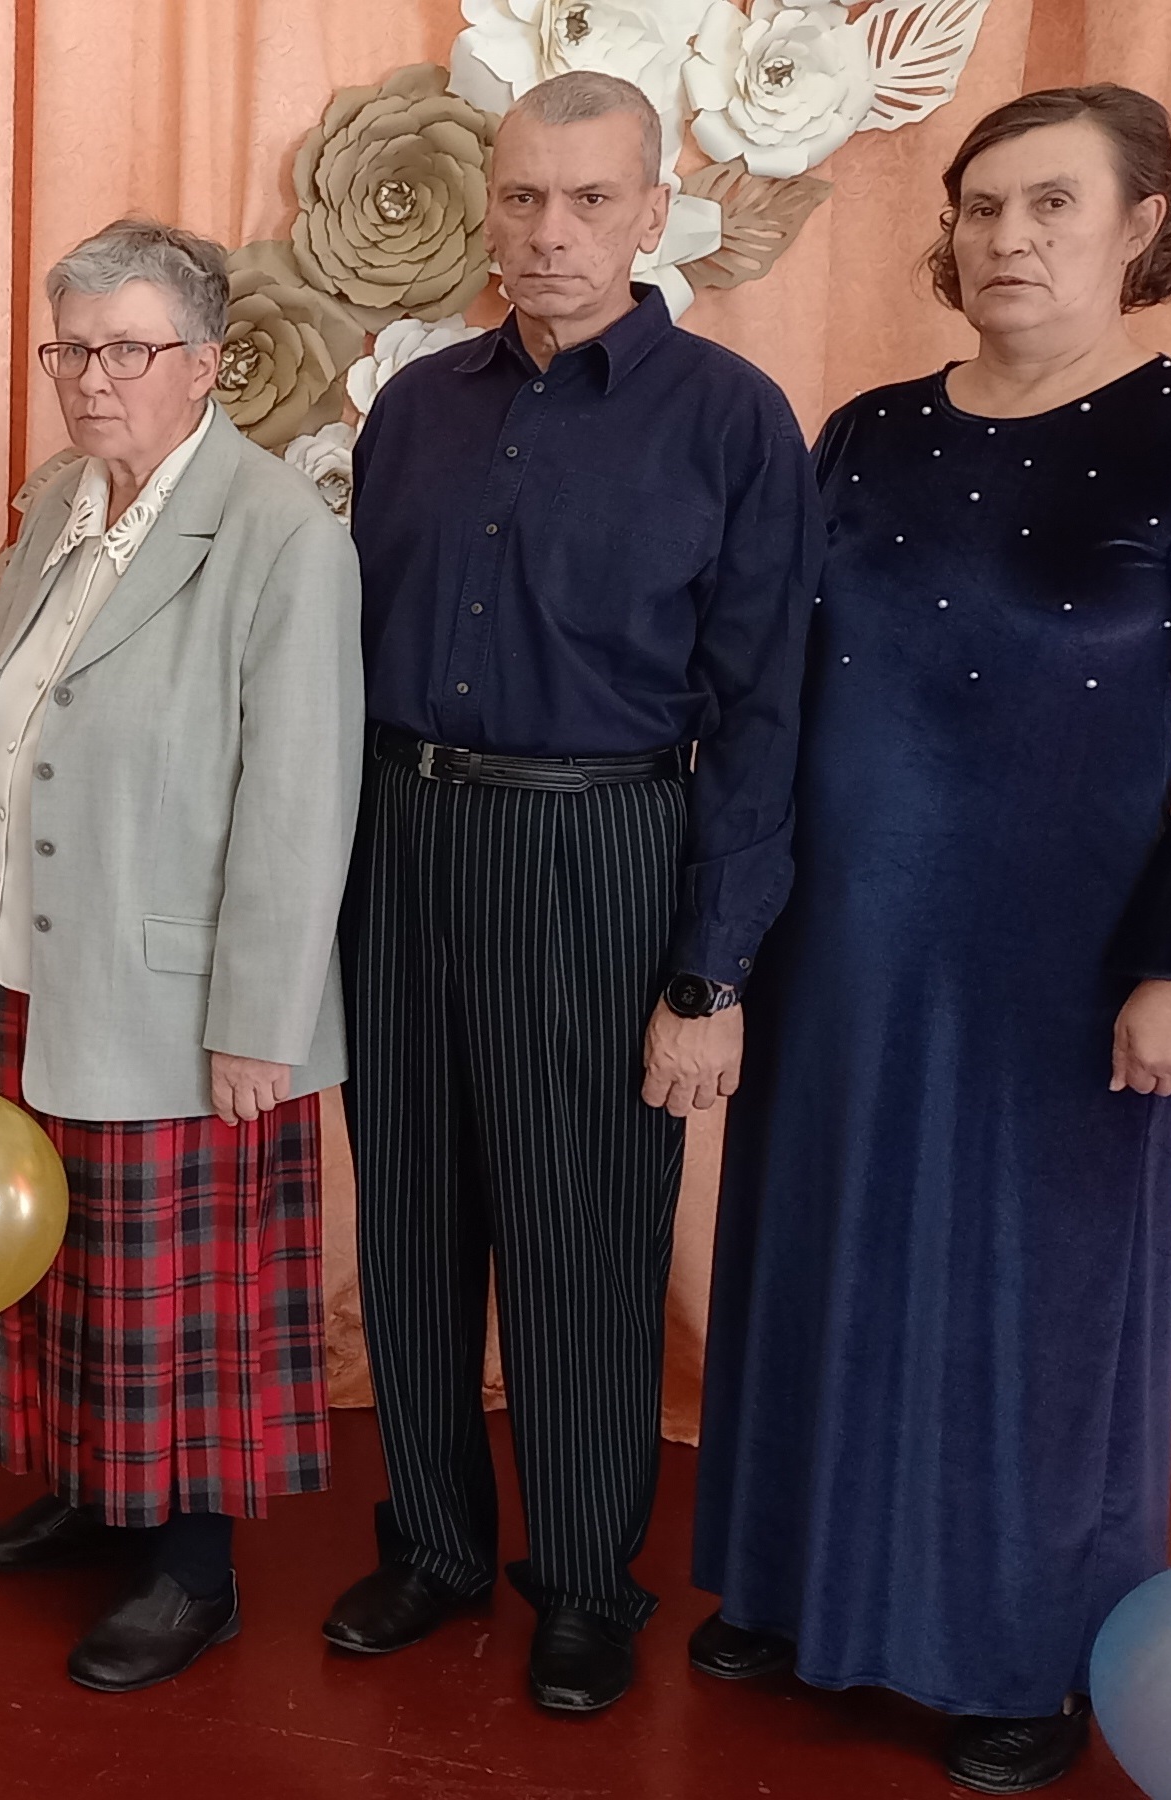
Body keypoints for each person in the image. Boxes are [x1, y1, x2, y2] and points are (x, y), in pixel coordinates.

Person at [688, 86, 1171, 1794]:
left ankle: (1018, 1655)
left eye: (1051, 204)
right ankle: (797, 1589)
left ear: (1142, 227)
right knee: (819, 1259)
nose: (1007, 238)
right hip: (842, 944)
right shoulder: (866, 433)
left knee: (1032, 1308)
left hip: (1065, 959)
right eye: (980, 207)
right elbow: (769, 691)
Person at [325, 70, 819, 1714]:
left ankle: (590, 1579)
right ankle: (434, 1544)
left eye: (592, 199)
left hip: (602, 846)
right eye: (526, 196)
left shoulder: (731, 420)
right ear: (491, 207)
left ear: (653, 212)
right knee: (409, 1216)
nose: (551, 231)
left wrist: (713, 972)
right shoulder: (415, 407)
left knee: (584, 1234)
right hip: (402, 838)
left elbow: (766, 716)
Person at [0, 217, 365, 1694]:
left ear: (206, 363)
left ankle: (193, 1572)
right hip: (27, 966)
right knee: (54, 1266)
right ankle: (85, 1490)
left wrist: (261, 1019)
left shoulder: (281, 537)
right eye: (70, 349)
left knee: (174, 1298)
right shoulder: (61, 502)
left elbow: (301, 797)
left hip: (183, 998)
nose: (92, 378)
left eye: (128, 348)